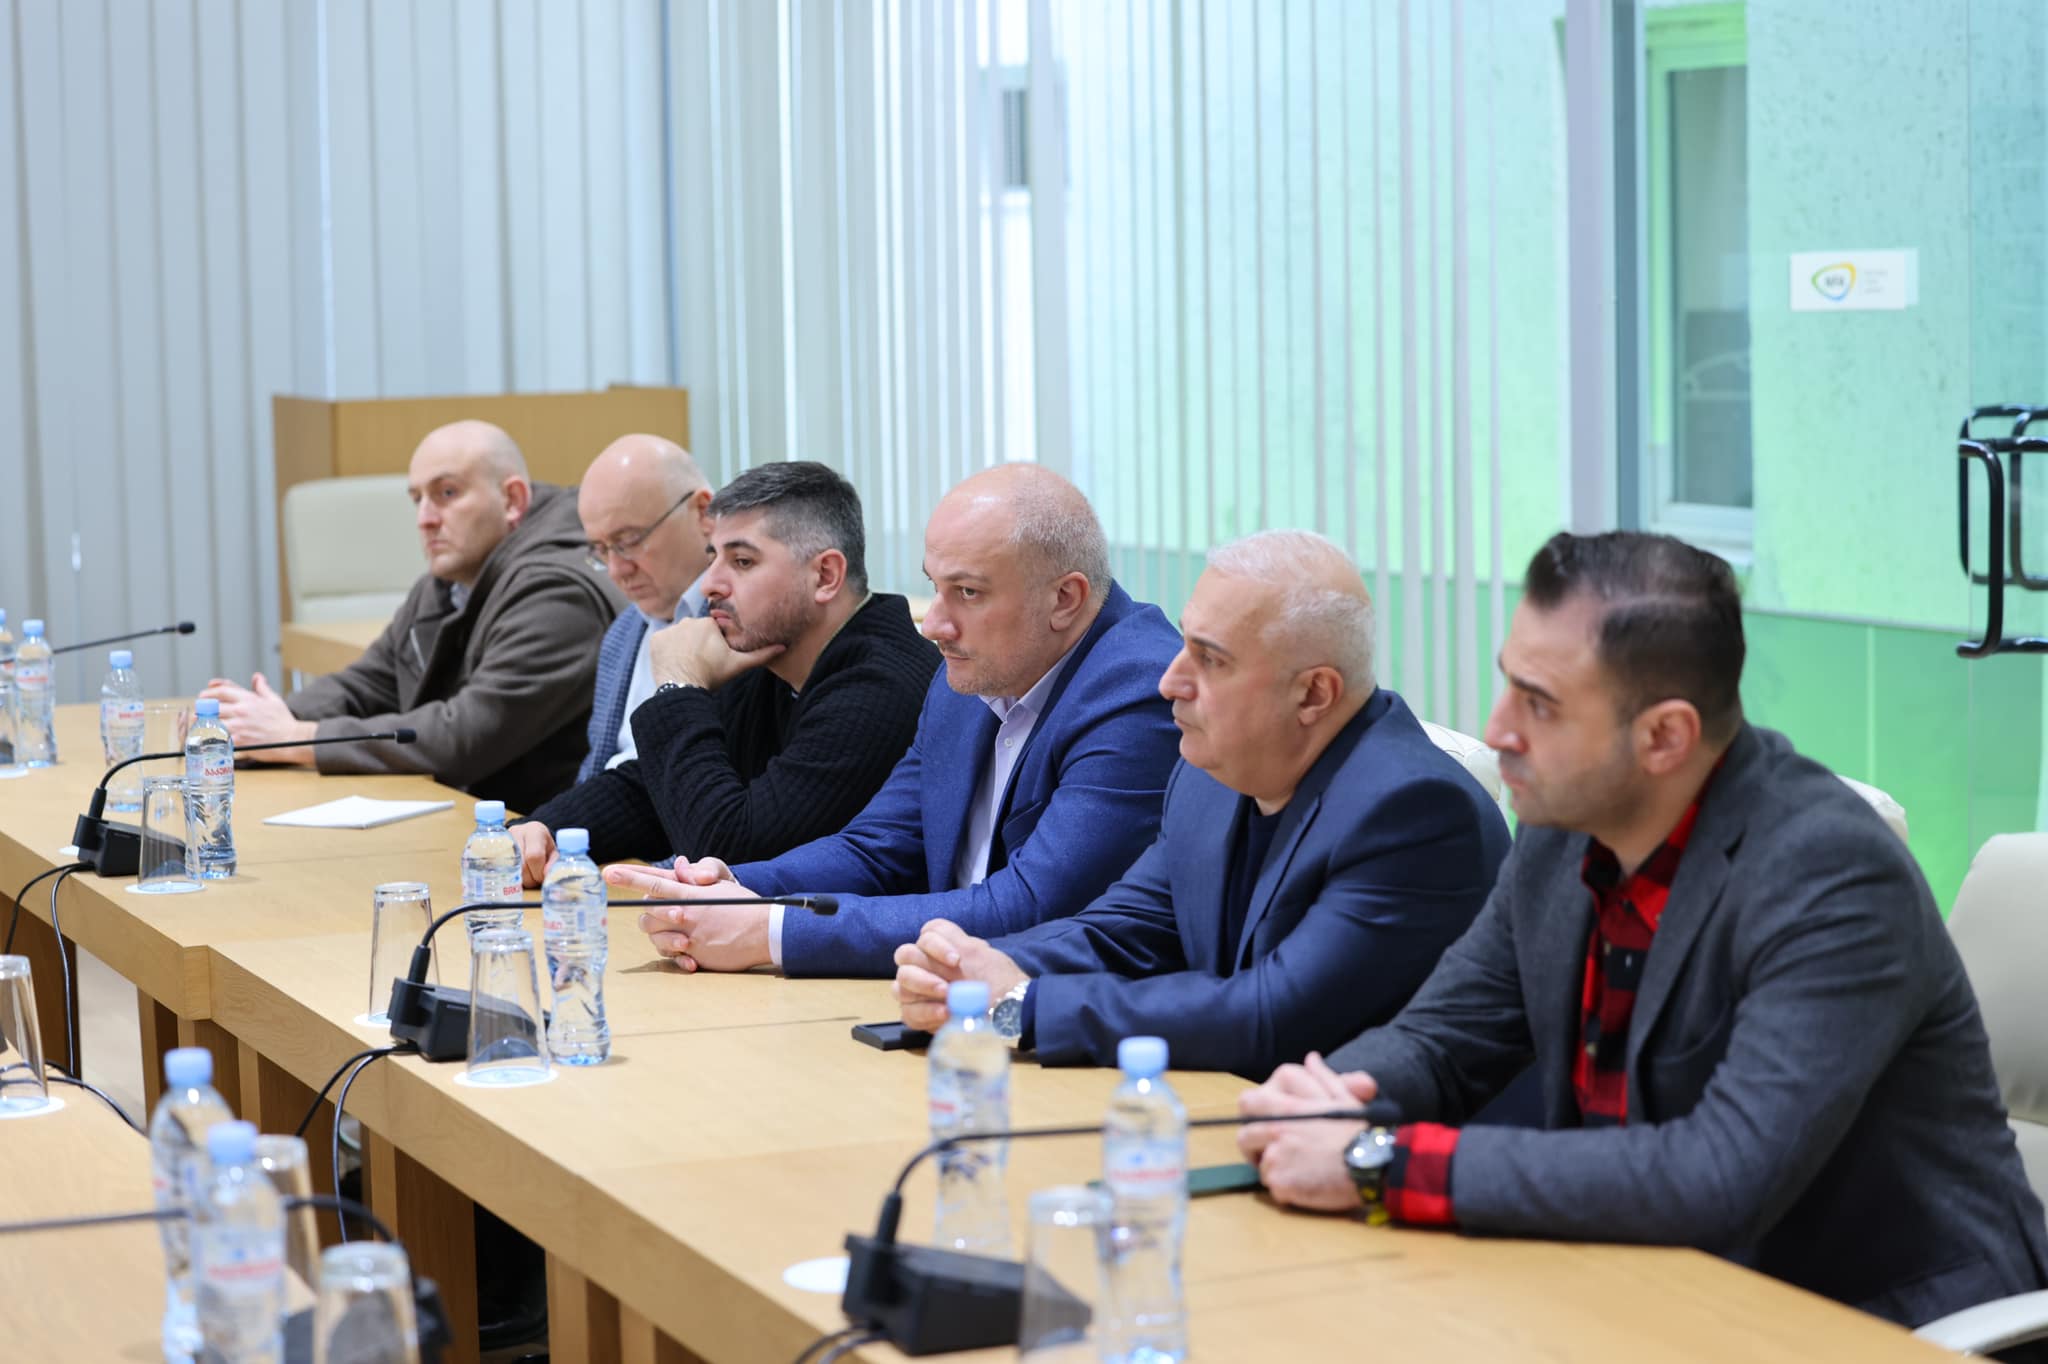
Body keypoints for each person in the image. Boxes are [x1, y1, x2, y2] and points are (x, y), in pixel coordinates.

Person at [1237, 530, 2048, 1331]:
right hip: (1645, 1288)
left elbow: (1720, 1173)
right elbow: (1443, 1040)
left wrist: (1380, 1164)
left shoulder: (1833, 874)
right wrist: (1326, 1103)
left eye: (1540, 705)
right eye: (1509, 683)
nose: (1498, 729)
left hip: (1877, 1321)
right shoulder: (1563, 834)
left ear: (1665, 736)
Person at [890, 531, 1509, 1077]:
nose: (1171, 681)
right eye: (1185, 644)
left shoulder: (1416, 812)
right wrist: (976, 969)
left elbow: (1272, 1015)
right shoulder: (1208, 774)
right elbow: (1125, 931)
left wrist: (1021, 1006)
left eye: (1210, 660)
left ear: (1314, 694)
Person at [607, 463, 1184, 978]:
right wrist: (732, 886)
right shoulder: (972, 672)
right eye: (936, 586)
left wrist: (770, 930)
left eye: (968, 592)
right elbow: (877, 846)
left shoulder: (1137, 691)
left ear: (1065, 599)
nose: (934, 625)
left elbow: (1030, 907)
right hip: (935, 994)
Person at [511, 461, 939, 885]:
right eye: (713, 557)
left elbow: (729, 855)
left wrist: (679, 685)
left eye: (743, 561)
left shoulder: (880, 688)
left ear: (825, 576)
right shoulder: (766, 656)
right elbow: (652, 793)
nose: (709, 584)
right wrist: (545, 829)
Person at [203, 420, 621, 813]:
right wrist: (248, 723)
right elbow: (370, 683)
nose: (425, 519)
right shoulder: (451, 580)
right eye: (418, 499)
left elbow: (463, 737)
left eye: (447, 493)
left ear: (511, 500)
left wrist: (297, 738)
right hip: (473, 819)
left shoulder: (558, 596)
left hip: (543, 840)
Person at [572, 434, 716, 782]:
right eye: (601, 550)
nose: (616, 570)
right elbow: (597, 768)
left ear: (703, 511)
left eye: (629, 541)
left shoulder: (745, 626)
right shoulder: (622, 633)